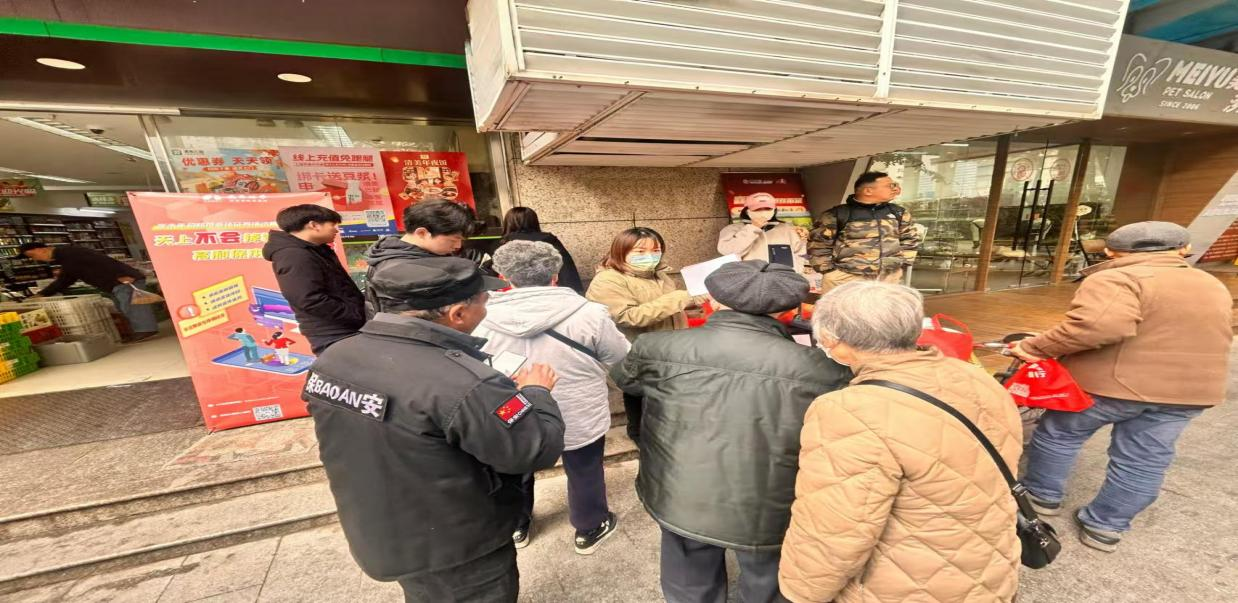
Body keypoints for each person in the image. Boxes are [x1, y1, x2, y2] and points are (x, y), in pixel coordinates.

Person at [305, 256, 566, 603]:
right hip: (460, 544)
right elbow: (533, 450)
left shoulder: (335, 358)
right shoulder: (467, 383)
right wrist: (536, 392)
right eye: (483, 302)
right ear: (457, 313)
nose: (485, 309)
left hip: (382, 527)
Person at [615, 260, 850, 603]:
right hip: (771, 502)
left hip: (679, 490)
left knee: (688, 578)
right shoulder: (825, 370)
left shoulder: (656, 347)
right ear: (788, 311)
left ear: (714, 300)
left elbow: (625, 380)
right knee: (768, 580)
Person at [780, 281, 1022, 603]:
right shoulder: (975, 377)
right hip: (990, 565)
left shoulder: (850, 410)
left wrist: (802, 591)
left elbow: (835, 529)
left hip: (905, 583)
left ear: (834, 341)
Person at [1010, 221, 1231, 552]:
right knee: (1144, 459)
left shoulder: (1117, 277)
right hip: (1189, 390)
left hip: (1113, 385)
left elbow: (1097, 327)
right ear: (1183, 250)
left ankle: (1041, 495)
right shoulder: (1209, 283)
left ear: (1110, 252)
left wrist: (1035, 347)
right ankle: (1105, 526)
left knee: (1060, 434)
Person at [474, 240, 630, 554]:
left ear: (504, 276)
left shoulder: (481, 314)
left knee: (515, 466)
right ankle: (590, 527)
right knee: (584, 466)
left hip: (513, 405)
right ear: (555, 274)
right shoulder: (589, 312)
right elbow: (619, 354)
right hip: (579, 404)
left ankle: (517, 525)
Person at [585, 227, 702, 443]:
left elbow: (668, 308)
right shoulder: (608, 280)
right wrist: (678, 298)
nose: (649, 256)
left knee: (666, 407)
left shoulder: (660, 274)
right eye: (640, 251)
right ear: (621, 251)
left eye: (655, 250)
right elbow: (628, 316)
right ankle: (641, 440)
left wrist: (693, 303)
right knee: (640, 403)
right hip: (638, 355)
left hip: (669, 352)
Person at [262, 204, 365, 354]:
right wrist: (354, 314)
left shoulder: (316, 249)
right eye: (333, 225)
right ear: (314, 225)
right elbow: (309, 299)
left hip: (343, 326)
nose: (336, 230)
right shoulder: (294, 255)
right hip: (333, 331)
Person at [19, 241, 159, 343]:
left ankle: (145, 330)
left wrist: (121, 275)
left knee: (131, 305)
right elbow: (67, 278)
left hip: (123, 279)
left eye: (32, 255)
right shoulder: (66, 256)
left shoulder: (69, 253)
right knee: (123, 306)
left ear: (41, 249)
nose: (34, 259)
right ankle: (140, 330)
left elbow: (100, 262)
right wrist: (43, 294)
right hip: (114, 282)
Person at [806, 171, 921, 288]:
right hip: (845, 278)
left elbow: (910, 239)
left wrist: (900, 265)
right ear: (868, 191)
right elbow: (818, 244)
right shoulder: (836, 215)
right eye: (890, 186)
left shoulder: (898, 213)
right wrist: (829, 271)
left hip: (887, 278)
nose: (895, 189)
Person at [365, 199, 476, 316]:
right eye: (453, 240)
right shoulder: (397, 269)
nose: (458, 246)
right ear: (422, 233)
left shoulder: (396, 254)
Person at [497, 207, 584, 293]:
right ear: (533, 221)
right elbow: (566, 267)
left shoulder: (503, 243)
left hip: (512, 292)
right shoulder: (548, 239)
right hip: (547, 291)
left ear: (508, 223)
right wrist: (574, 291)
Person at [717, 192, 808, 274]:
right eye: (757, 209)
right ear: (747, 211)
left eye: (768, 208)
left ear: (774, 210)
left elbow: (801, 253)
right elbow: (728, 251)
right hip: (748, 280)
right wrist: (753, 228)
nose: (763, 212)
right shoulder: (732, 229)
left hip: (782, 281)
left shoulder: (788, 229)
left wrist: (796, 271)